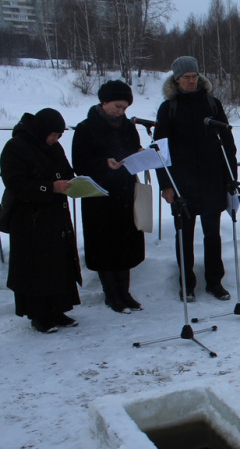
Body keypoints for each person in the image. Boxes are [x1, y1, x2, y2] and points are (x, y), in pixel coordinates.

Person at [154, 56, 238, 302]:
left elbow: (228, 144)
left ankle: (215, 282)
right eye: (186, 78)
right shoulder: (169, 107)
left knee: (213, 235)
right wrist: (165, 185)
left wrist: (231, 177)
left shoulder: (212, 104)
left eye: (194, 77)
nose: (191, 81)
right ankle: (187, 284)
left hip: (212, 180)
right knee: (185, 235)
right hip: (182, 183)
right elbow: (160, 149)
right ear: (176, 79)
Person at [0, 108, 82, 333]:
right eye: (53, 135)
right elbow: (15, 183)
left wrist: (71, 183)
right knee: (35, 268)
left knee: (57, 264)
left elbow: (66, 170)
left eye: (59, 136)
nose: (55, 140)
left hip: (55, 215)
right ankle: (38, 315)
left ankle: (58, 309)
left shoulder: (53, 147)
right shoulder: (16, 147)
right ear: (41, 130)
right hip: (30, 220)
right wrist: (49, 187)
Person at [72, 80, 145, 314]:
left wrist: (141, 155)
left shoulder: (127, 126)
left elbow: (133, 148)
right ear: (103, 102)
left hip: (125, 193)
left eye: (124, 107)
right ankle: (111, 295)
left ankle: (125, 292)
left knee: (125, 245)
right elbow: (79, 163)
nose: (121, 112)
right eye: (117, 106)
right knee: (105, 246)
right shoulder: (85, 128)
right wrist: (104, 163)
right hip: (99, 197)